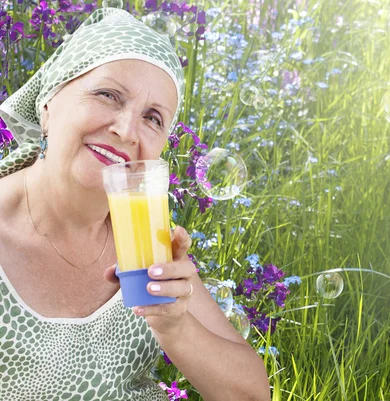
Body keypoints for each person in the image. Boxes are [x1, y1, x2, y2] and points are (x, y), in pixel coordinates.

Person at [0, 7, 270, 401]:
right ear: (47, 104)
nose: (126, 130)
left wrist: (174, 325)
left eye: (153, 118)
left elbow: (250, 395)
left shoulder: (143, 232)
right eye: (108, 95)